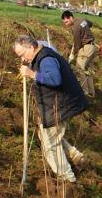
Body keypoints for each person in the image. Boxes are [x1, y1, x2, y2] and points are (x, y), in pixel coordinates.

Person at [13, 35, 89, 183]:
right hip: (56, 104)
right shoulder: (40, 55)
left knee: (50, 144)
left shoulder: (46, 59)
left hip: (61, 105)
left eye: (22, 55)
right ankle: (75, 156)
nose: (23, 59)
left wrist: (32, 74)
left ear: (31, 47)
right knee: (47, 135)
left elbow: (54, 79)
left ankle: (68, 180)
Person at [61, 11, 97, 96]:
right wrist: (85, 32)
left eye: (66, 21)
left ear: (70, 17)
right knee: (88, 70)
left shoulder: (75, 27)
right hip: (92, 47)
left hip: (86, 48)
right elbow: (90, 24)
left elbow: (77, 43)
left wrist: (73, 54)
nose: (66, 24)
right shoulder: (82, 19)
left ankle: (84, 91)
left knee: (79, 68)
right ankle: (91, 92)